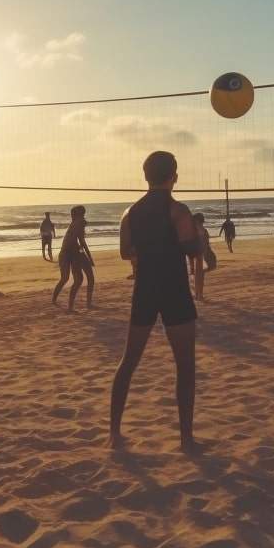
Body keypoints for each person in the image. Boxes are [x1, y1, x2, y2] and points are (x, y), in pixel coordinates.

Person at [110, 151, 201, 451]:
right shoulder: (178, 211)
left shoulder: (130, 213)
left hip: (145, 289)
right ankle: (186, 439)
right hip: (174, 289)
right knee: (185, 366)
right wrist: (197, 237)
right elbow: (192, 249)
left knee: (129, 361)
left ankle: (114, 434)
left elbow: (125, 252)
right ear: (174, 176)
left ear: (146, 176)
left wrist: (148, 251)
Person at [52, 205, 95, 311]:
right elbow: (81, 241)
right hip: (69, 254)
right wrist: (89, 257)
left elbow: (78, 240)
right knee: (72, 278)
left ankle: (80, 305)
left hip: (74, 253)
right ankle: (79, 305)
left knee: (78, 279)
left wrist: (87, 256)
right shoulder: (79, 222)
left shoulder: (76, 223)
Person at [190, 212, 211, 301]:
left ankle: (198, 294)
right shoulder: (204, 231)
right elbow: (207, 244)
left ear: (197, 221)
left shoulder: (194, 231)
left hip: (197, 255)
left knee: (197, 275)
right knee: (200, 275)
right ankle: (199, 294)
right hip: (200, 254)